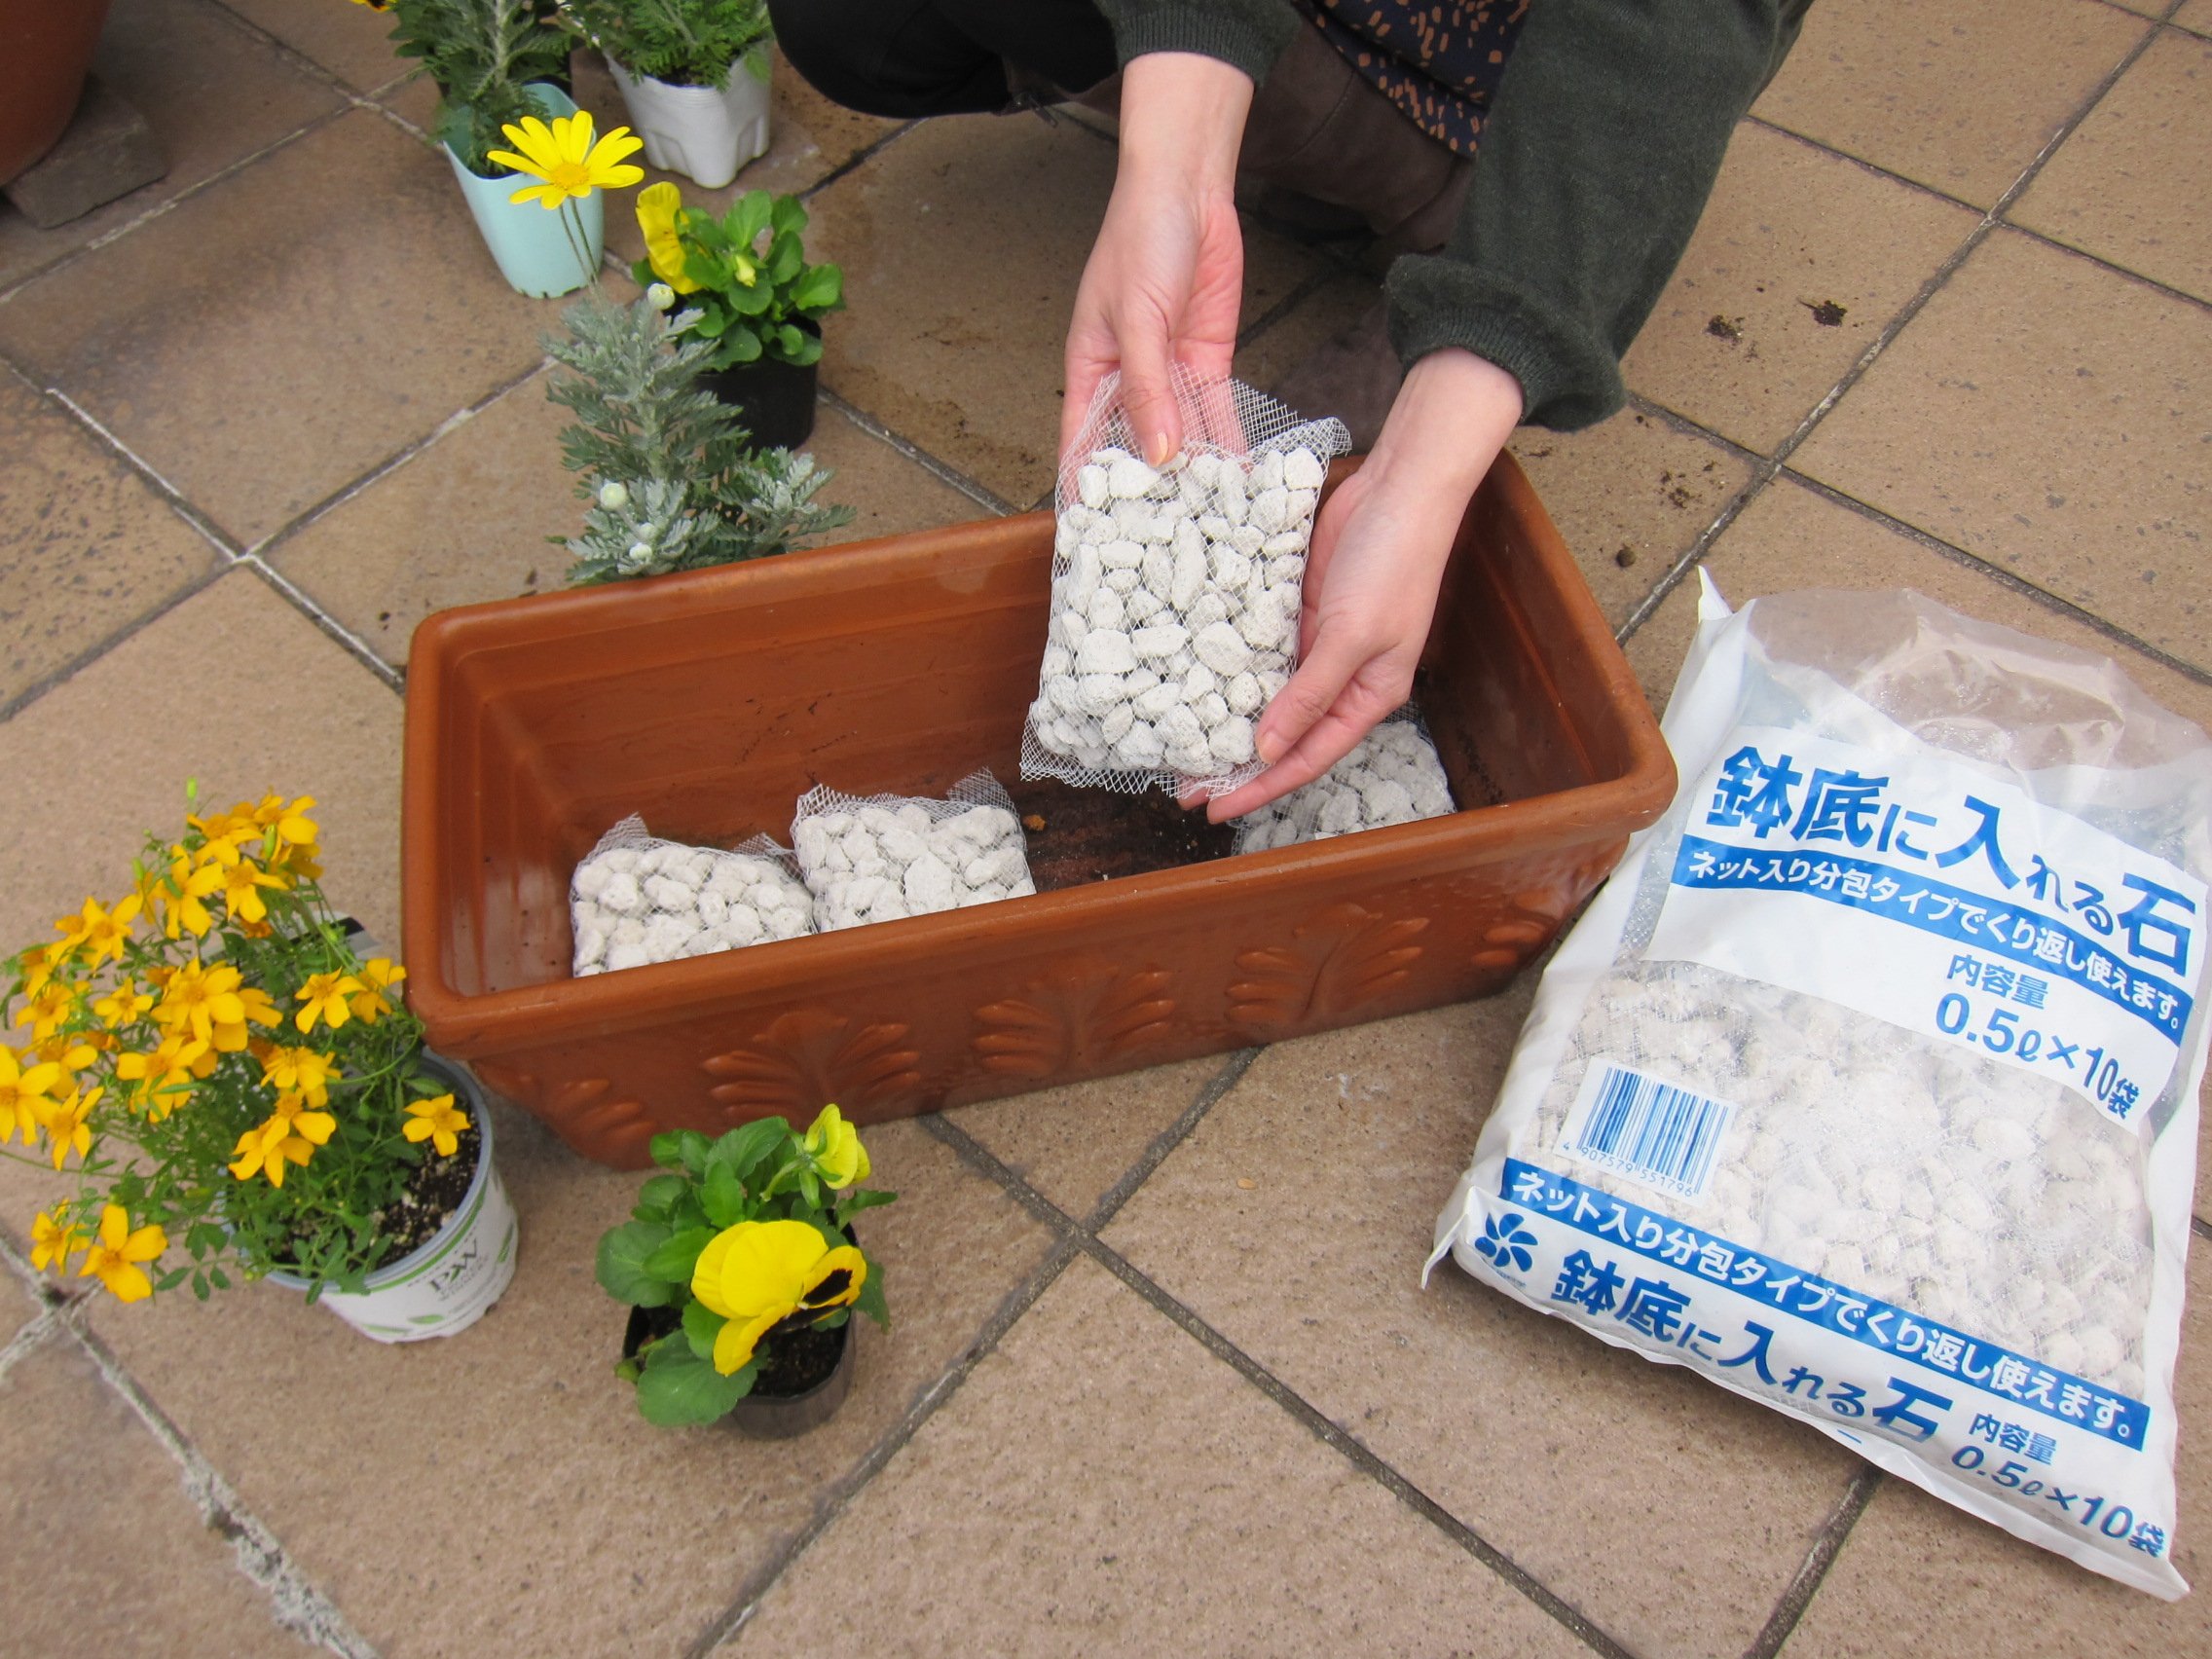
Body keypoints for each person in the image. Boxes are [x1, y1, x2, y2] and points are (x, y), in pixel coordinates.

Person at [767, 0, 1812, 819]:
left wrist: (1427, 462)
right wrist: (1175, 165)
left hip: (1521, 53)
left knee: (1528, 198)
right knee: (855, 21)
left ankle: (1473, 206)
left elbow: (1681, 18)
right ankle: (1305, 127)